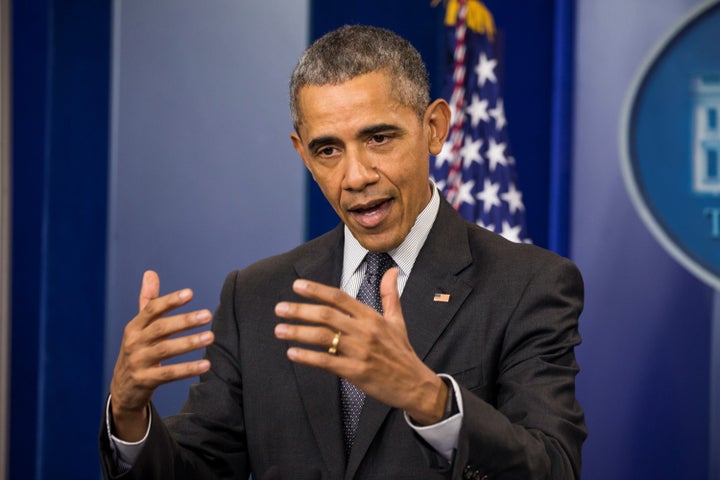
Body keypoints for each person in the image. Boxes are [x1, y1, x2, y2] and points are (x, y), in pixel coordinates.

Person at [99, 25, 586, 479]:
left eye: (378, 138)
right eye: (328, 149)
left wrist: (430, 399)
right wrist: (127, 413)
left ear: (434, 128)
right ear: (302, 154)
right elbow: (197, 469)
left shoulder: (528, 284)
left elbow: (553, 466)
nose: (355, 176)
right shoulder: (255, 296)